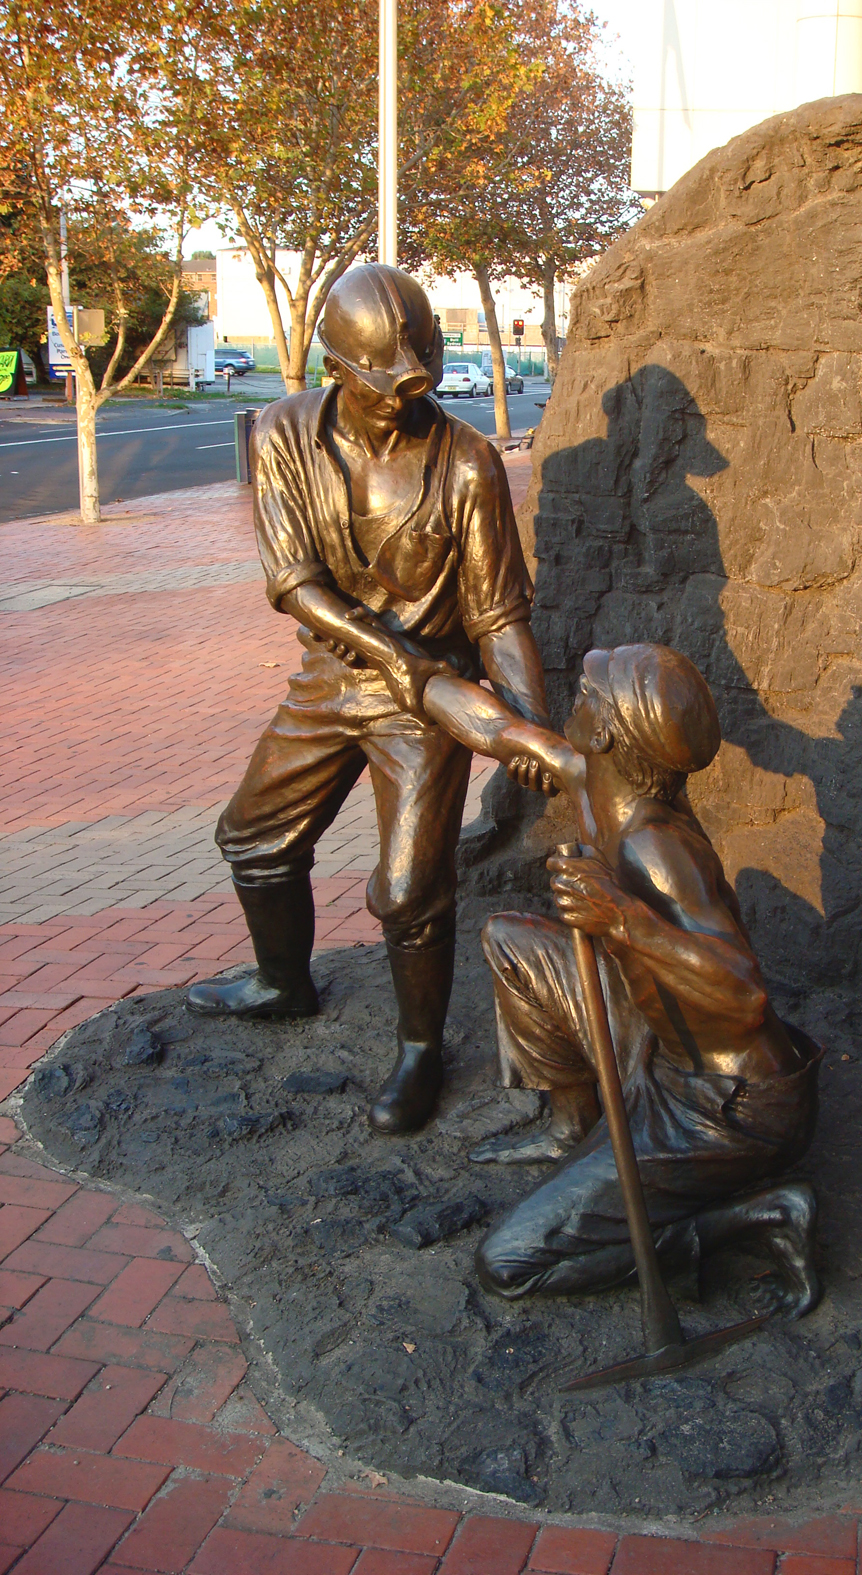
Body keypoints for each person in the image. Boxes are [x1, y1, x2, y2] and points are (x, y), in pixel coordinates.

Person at [186, 264, 551, 1137]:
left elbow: (498, 616)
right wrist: (401, 659)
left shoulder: (465, 463)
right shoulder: (280, 433)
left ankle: (420, 1046)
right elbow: (295, 585)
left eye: (416, 381)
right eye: (386, 386)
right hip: (334, 676)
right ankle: (283, 981)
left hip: (426, 708)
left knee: (408, 885)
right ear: (336, 370)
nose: (403, 402)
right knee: (252, 837)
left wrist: (529, 727)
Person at [366, 639, 822, 1313]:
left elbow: (744, 994)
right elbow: (498, 729)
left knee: (509, 1263)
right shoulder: (593, 777)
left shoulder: (654, 845)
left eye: (585, 693)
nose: (571, 699)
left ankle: (754, 1220)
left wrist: (624, 919)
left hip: (726, 1107)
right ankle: (570, 1122)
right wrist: (403, 671)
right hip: (663, 1047)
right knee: (513, 940)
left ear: (606, 729)